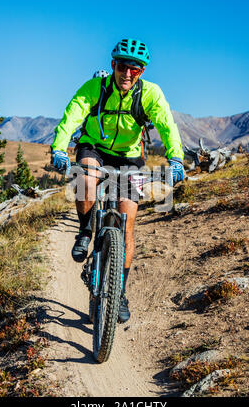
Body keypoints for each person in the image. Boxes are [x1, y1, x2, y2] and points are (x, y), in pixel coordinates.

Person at [51, 38, 184, 323]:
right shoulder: (95, 88)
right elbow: (71, 115)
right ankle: (85, 232)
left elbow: (167, 125)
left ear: (142, 73)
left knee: (128, 222)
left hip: (130, 158)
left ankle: (119, 292)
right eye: (123, 67)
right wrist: (59, 147)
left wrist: (176, 158)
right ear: (113, 65)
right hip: (94, 148)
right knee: (85, 177)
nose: (127, 74)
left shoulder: (151, 94)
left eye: (134, 70)